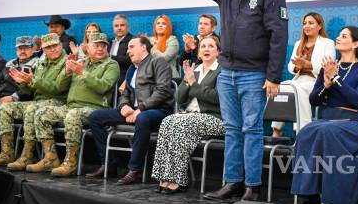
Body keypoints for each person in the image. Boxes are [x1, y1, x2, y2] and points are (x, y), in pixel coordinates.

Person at [161, 0, 288, 202]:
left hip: (254, 75)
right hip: (227, 72)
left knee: (251, 129)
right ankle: (232, 182)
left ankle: (252, 187)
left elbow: (279, 37)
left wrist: (273, 76)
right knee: (232, 129)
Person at [291, 26, 358, 204]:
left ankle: (331, 202)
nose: (338, 38)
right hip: (331, 121)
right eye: (339, 35)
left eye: (344, 36)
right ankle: (309, 194)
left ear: (356, 44)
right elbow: (314, 100)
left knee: (328, 131)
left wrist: (336, 79)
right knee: (306, 131)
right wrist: (325, 85)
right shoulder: (329, 67)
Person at [86, 36, 173, 185]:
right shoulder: (132, 69)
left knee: (143, 118)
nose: (128, 51)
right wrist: (124, 106)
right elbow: (125, 93)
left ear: (144, 47)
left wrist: (141, 109)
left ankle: (135, 171)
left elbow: (163, 91)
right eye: (128, 48)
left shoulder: (158, 62)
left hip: (158, 111)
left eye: (131, 47)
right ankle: (109, 164)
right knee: (95, 117)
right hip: (134, 111)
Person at [30, 32, 119, 176]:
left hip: (95, 109)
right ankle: (50, 158)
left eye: (103, 46)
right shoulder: (81, 62)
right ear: (87, 48)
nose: (100, 48)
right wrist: (66, 71)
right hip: (71, 106)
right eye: (96, 45)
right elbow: (60, 87)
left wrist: (82, 72)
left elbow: (103, 86)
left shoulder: (111, 65)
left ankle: (71, 162)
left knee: (72, 115)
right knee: (41, 113)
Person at [152, 35, 225, 193]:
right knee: (167, 122)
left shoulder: (222, 71)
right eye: (203, 46)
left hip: (215, 118)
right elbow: (179, 99)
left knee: (181, 124)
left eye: (211, 46)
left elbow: (218, 98)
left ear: (218, 52)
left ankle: (178, 179)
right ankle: (164, 176)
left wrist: (193, 83)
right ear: (198, 53)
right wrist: (186, 81)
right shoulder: (194, 70)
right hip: (190, 116)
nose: (206, 49)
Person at [0, 33, 69, 169]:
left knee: (31, 109)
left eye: (55, 46)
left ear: (60, 45)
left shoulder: (67, 62)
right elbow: (31, 90)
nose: (52, 49)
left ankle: (30, 155)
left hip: (58, 101)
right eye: (48, 47)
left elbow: (58, 88)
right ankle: (7, 152)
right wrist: (23, 83)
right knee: (5, 108)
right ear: (43, 49)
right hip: (39, 101)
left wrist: (33, 81)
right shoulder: (42, 63)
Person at [271, 12, 335, 137]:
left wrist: (308, 65)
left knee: (298, 90)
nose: (307, 26)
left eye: (311, 23)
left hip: (317, 82)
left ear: (319, 26)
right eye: (304, 23)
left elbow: (328, 67)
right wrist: (297, 67)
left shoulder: (328, 43)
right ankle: (277, 130)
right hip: (298, 80)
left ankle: (302, 131)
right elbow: (290, 66)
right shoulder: (298, 43)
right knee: (280, 89)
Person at [148, 15, 180, 80]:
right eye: (158, 23)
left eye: (163, 23)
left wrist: (152, 48)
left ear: (168, 27)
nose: (160, 25)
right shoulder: (149, 40)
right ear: (155, 27)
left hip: (169, 77)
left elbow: (164, 59)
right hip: (151, 76)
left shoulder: (172, 40)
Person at [108, 14, 134, 84]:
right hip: (109, 80)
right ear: (113, 28)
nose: (119, 28)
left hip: (125, 80)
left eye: (122, 25)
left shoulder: (133, 41)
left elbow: (129, 60)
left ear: (128, 27)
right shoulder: (109, 42)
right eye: (116, 26)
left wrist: (109, 57)